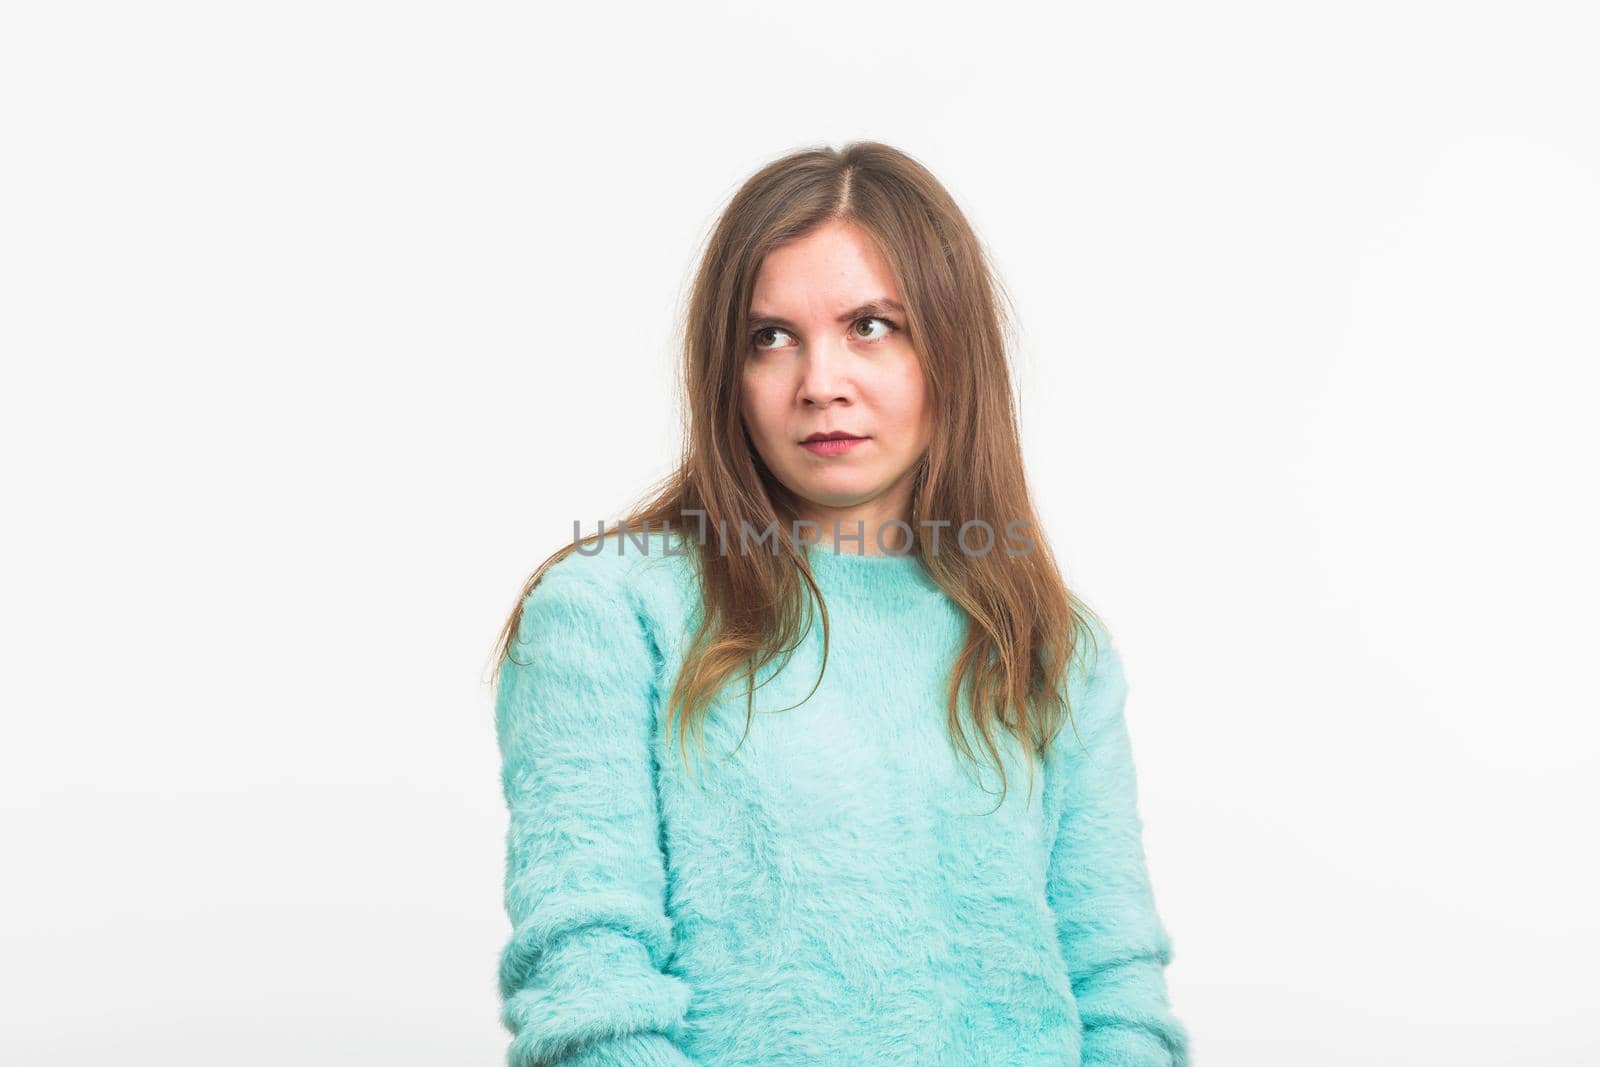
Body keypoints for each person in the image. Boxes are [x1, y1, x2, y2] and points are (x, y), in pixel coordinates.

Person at [488, 142, 1190, 1066]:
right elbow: (589, 993)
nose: (820, 381)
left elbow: (1116, 991)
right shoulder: (608, 611)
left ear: (952, 350)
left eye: (871, 325)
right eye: (769, 336)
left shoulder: (1052, 643)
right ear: (724, 372)